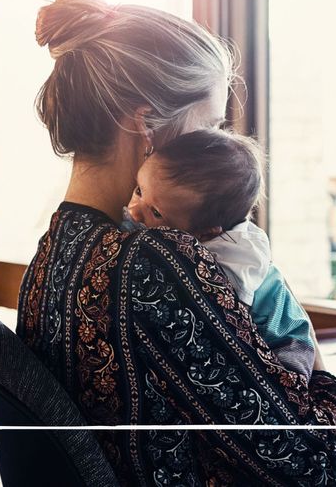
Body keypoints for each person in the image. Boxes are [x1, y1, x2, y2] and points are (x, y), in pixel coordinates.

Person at [17, 0, 336, 486]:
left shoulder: (55, 254)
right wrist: (314, 355)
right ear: (144, 122)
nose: (217, 148)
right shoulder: (156, 262)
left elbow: (208, 405)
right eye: (210, 127)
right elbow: (310, 469)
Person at [123, 127, 318, 379]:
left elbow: (226, 311)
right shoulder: (173, 223)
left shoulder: (235, 258)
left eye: (156, 213)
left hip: (285, 338)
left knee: (289, 380)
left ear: (204, 233)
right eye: (139, 190)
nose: (135, 211)